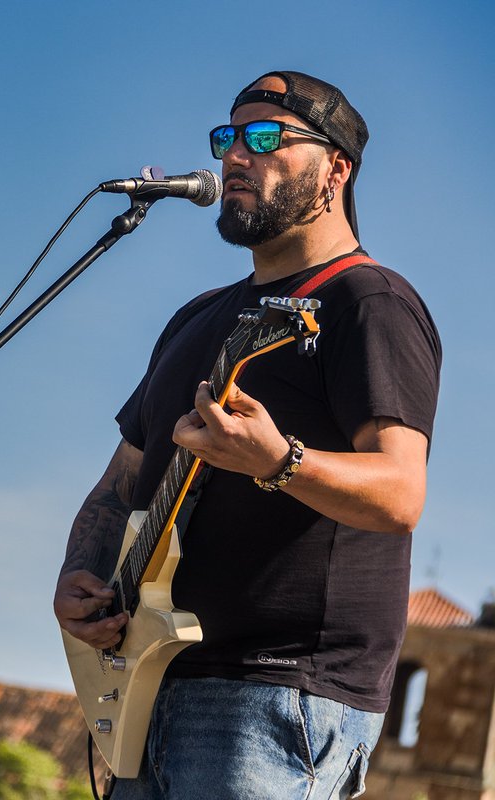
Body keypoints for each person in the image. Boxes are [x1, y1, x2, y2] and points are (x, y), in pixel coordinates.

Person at [54, 71, 441, 799]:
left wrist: (278, 460)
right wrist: (79, 577)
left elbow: (400, 492)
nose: (236, 155)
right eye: (228, 137)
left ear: (336, 169)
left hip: (278, 693)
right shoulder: (196, 317)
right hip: (149, 680)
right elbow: (120, 482)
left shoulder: (369, 302)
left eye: (267, 139)